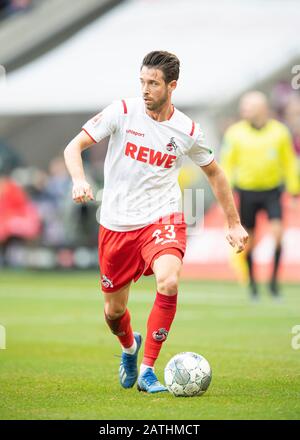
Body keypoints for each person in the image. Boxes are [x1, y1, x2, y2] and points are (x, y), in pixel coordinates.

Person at [64, 51, 248, 393]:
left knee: (169, 280)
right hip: (116, 225)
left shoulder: (188, 130)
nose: (146, 90)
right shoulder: (121, 111)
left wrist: (233, 222)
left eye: (154, 83)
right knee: (113, 312)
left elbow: (216, 173)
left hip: (162, 217)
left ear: (172, 86)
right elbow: (73, 148)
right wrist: (78, 179)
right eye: (143, 82)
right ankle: (129, 349)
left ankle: (148, 369)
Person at [221, 91, 299, 300]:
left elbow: (289, 161)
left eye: (248, 106)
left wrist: (293, 191)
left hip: (273, 191)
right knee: (250, 241)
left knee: (278, 235)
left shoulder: (280, 132)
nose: (243, 110)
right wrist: (225, 195)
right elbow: (226, 165)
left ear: (262, 109)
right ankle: (254, 285)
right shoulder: (235, 133)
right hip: (247, 192)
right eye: (243, 106)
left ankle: (273, 283)